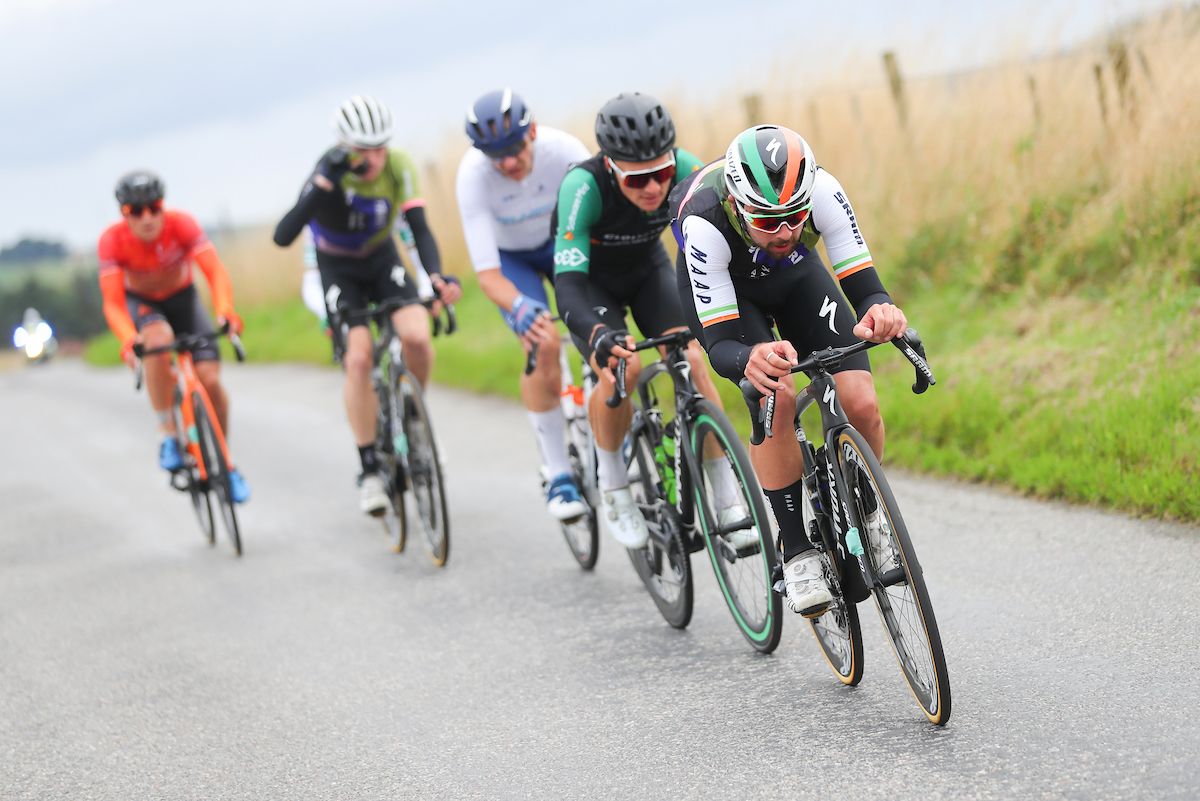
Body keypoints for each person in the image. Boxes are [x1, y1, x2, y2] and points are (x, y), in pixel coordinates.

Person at [671, 124, 909, 617]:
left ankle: (869, 511)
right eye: (767, 221)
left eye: (795, 218)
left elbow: (865, 286)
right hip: (733, 297)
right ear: (737, 206)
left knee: (859, 399)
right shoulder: (705, 222)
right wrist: (748, 359)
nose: (783, 233)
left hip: (798, 278)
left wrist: (882, 309)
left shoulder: (823, 191)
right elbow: (718, 345)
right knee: (774, 397)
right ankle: (796, 547)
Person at [552, 92, 737, 550]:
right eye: (638, 180)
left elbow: (719, 248)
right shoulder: (582, 187)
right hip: (591, 284)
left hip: (648, 270)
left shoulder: (689, 167)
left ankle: (728, 494)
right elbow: (567, 285)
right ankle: (614, 484)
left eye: (661, 173)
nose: (654, 188)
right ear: (611, 167)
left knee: (693, 359)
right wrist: (597, 334)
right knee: (623, 369)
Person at [273, 95, 462, 515]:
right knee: (358, 359)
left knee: (416, 334)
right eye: (363, 149)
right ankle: (370, 469)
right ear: (344, 146)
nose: (374, 158)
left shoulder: (398, 166)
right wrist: (322, 185)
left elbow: (419, 229)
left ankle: (414, 415)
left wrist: (432, 277)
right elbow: (284, 235)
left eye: (380, 147)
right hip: (337, 268)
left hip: (381, 259)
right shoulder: (329, 171)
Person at [456, 88, 591, 521]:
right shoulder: (472, 177)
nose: (509, 163)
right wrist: (519, 308)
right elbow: (488, 274)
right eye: (496, 156)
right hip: (512, 261)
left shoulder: (566, 151)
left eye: (514, 149)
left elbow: (598, 227)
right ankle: (558, 474)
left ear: (532, 131)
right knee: (542, 343)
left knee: (596, 327)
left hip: (565, 243)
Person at [97, 170, 250, 502]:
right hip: (145, 306)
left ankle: (226, 463)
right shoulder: (112, 241)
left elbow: (214, 272)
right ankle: (167, 431)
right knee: (154, 340)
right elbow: (113, 303)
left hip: (184, 300)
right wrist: (128, 339)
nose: (147, 217)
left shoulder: (182, 225)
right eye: (135, 211)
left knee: (210, 381)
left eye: (154, 207)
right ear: (123, 214)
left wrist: (225, 310)